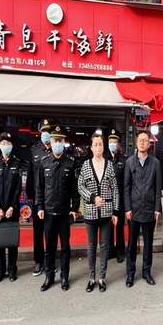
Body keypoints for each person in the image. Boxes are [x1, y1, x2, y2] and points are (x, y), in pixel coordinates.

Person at [36, 125, 80, 292]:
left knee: (65, 248)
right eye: (55, 140)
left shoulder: (71, 162)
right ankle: (49, 276)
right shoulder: (44, 162)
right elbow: (39, 187)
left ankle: (64, 277)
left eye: (60, 140)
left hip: (64, 213)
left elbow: (75, 190)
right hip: (48, 212)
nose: (57, 143)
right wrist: (39, 206)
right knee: (50, 247)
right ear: (51, 141)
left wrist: (74, 209)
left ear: (64, 142)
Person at [78, 133, 119, 292]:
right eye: (95, 144)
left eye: (100, 144)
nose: (98, 147)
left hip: (107, 213)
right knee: (91, 247)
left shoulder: (109, 165)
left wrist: (115, 211)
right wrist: (92, 197)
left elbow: (115, 189)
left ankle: (102, 277)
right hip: (90, 213)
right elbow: (80, 186)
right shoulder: (86, 165)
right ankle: (91, 278)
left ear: (103, 146)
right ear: (91, 147)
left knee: (104, 246)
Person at [124, 130, 162, 287]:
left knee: (148, 244)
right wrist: (127, 208)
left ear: (149, 144)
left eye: (145, 140)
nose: (142, 143)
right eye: (140, 140)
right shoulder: (129, 162)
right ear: (136, 142)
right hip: (133, 209)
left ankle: (147, 272)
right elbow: (126, 187)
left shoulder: (155, 163)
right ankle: (130, 273)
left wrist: (157, 208)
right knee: (132, 244)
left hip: (149, 209)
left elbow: (158, 187)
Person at [0, 132, 21, 284]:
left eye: (8, 143)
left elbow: (18, 188)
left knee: (12, 242)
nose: (6, 146)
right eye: (3, 143)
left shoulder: (17, 163)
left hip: (12, 208)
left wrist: (12, 207)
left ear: (12, 146)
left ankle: (12, 270)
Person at [27, 118, 52, 277]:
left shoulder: (57, 150)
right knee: (38, 232)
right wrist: (30, 196)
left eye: (48, 131)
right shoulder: (34, 151)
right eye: (44, 131)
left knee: (51, 232)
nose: (46, 134)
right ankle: (38, 261)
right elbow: (30, 174)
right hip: (38, 198)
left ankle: (50, 261)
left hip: (52, 198)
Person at [107, 129, 126, 263]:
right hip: (107, 199)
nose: (112, 144)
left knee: (119, 227)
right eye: (110, 142)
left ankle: (120, 251)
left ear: (118, 144)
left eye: (114, 142)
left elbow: (126, 182)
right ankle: (109, 250)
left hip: (119, 199)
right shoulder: (104, 159)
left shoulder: (124, 160)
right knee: (108, 227)